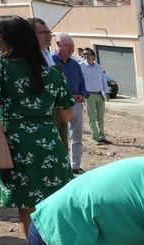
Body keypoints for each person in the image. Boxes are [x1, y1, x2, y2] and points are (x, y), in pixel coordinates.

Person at [0, 15, 75, 238]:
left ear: (9, 39)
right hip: (49, 142)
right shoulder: (52, 73)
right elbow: (67, 115)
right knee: (54, 201)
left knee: (27, 208)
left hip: (16, 145)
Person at [28, 17, 69, 152]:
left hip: (57, 110)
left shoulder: (46, 54)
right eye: (43, 33)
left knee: (61, 149)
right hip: (41, 117)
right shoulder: (25, 60)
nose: (48, 36)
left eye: (49, 33)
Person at [53, 32, 87, 175]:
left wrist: (82, 95)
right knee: (60, 136)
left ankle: (75, 165)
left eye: (72, 46)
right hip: (58, 105)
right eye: (67, 46)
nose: (71, 49)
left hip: (76, 104)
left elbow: (82, 83)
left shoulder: (75, 64)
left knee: (77, 136)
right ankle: (62, 165)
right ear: (58, 45)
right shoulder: (51, 62)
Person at [80, 48, 111, 144]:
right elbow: (79, 81)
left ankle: (102, 136)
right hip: (89, 95)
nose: (86, 56)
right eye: (84, 54)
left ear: (93, 56)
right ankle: (96, 137)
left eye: (88, 54)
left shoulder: (99, 67)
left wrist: (106, 92)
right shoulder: (80, 66)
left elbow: (103, 80)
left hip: (100, 94)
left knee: (100, 118)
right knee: (92, 117)